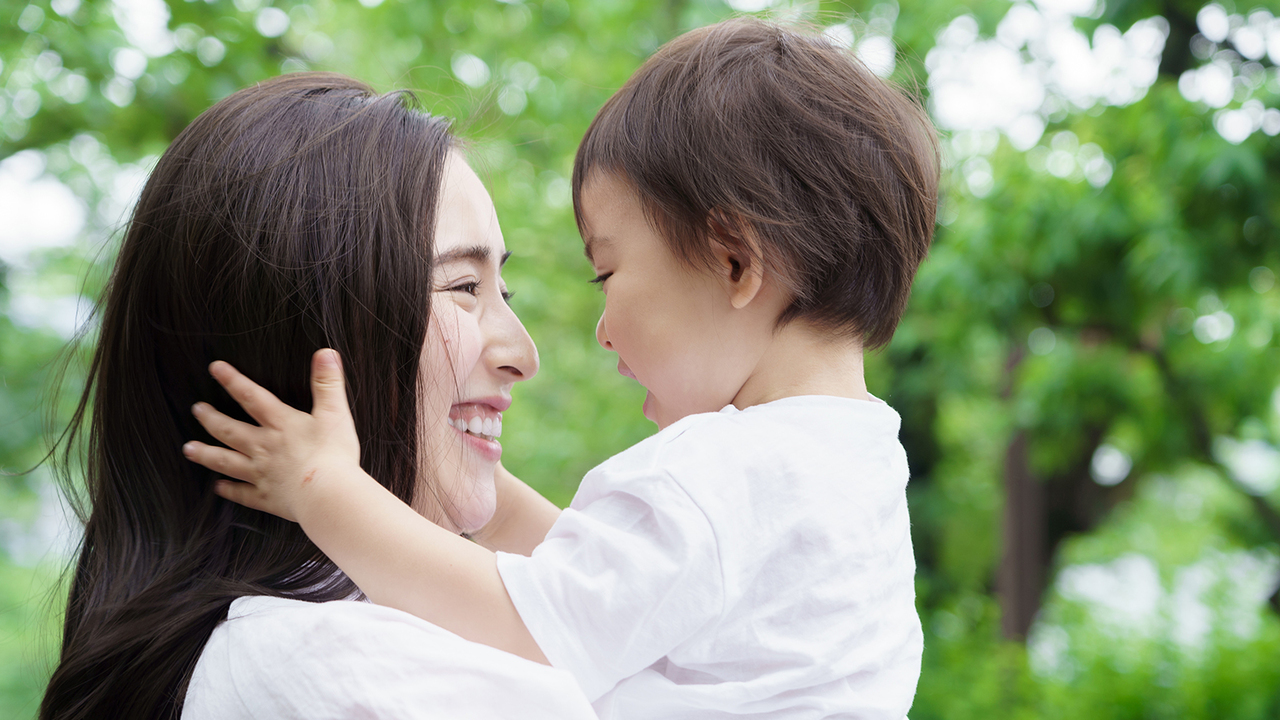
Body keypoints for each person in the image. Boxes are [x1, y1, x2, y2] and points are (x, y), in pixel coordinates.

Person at [186, 17, 940, 720]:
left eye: (606, 275)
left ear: (735, 260)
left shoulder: (712, 472)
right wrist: (450, 457)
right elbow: (617, 587)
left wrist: (327, 492)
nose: (602, 332)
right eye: (464, 288)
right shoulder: (854, 464)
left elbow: (527, 624)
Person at [39, 73, 596, 720]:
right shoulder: (339, 666)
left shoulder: (274, 660)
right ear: (307, 337)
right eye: (465, 287)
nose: (523, 355)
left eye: (507, 294)